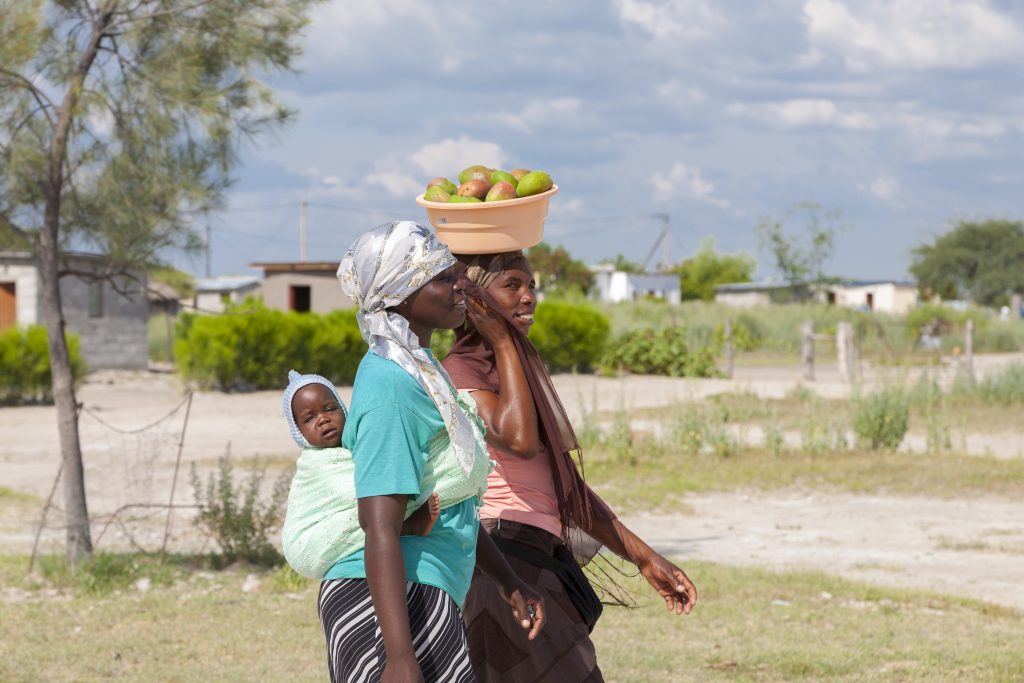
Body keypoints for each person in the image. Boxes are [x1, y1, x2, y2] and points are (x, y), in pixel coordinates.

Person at [442, 250, 698, 682]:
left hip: (535, 560)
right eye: (512, 285)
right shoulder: (461, 370)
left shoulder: (513, 371)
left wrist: (646, 558)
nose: (529, 298)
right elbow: (519, 441)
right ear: (476, 299)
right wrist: (503, 343)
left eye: (532, 286)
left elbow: (566, 491)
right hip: (502, 563)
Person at [319, 221, 545, 683]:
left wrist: (508, 583)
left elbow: (446, 500)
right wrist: (400, 657)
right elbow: (379, 524)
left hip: (424, 586)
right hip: (389, 600)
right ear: (401, 294)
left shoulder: (422, 371)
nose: (460, 284)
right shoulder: (391, 387)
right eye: (442, 278)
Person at [279, 370, 440, 580]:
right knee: (373, 500)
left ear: (344, 409)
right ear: (298, 432)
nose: (323, 419)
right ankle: (407, 524)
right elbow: (350, 491)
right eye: (309, 418)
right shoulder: (313, 464)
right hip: (309, 543)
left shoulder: (357, 443)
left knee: (375, 501)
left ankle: (399, 523)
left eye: (330, 408)